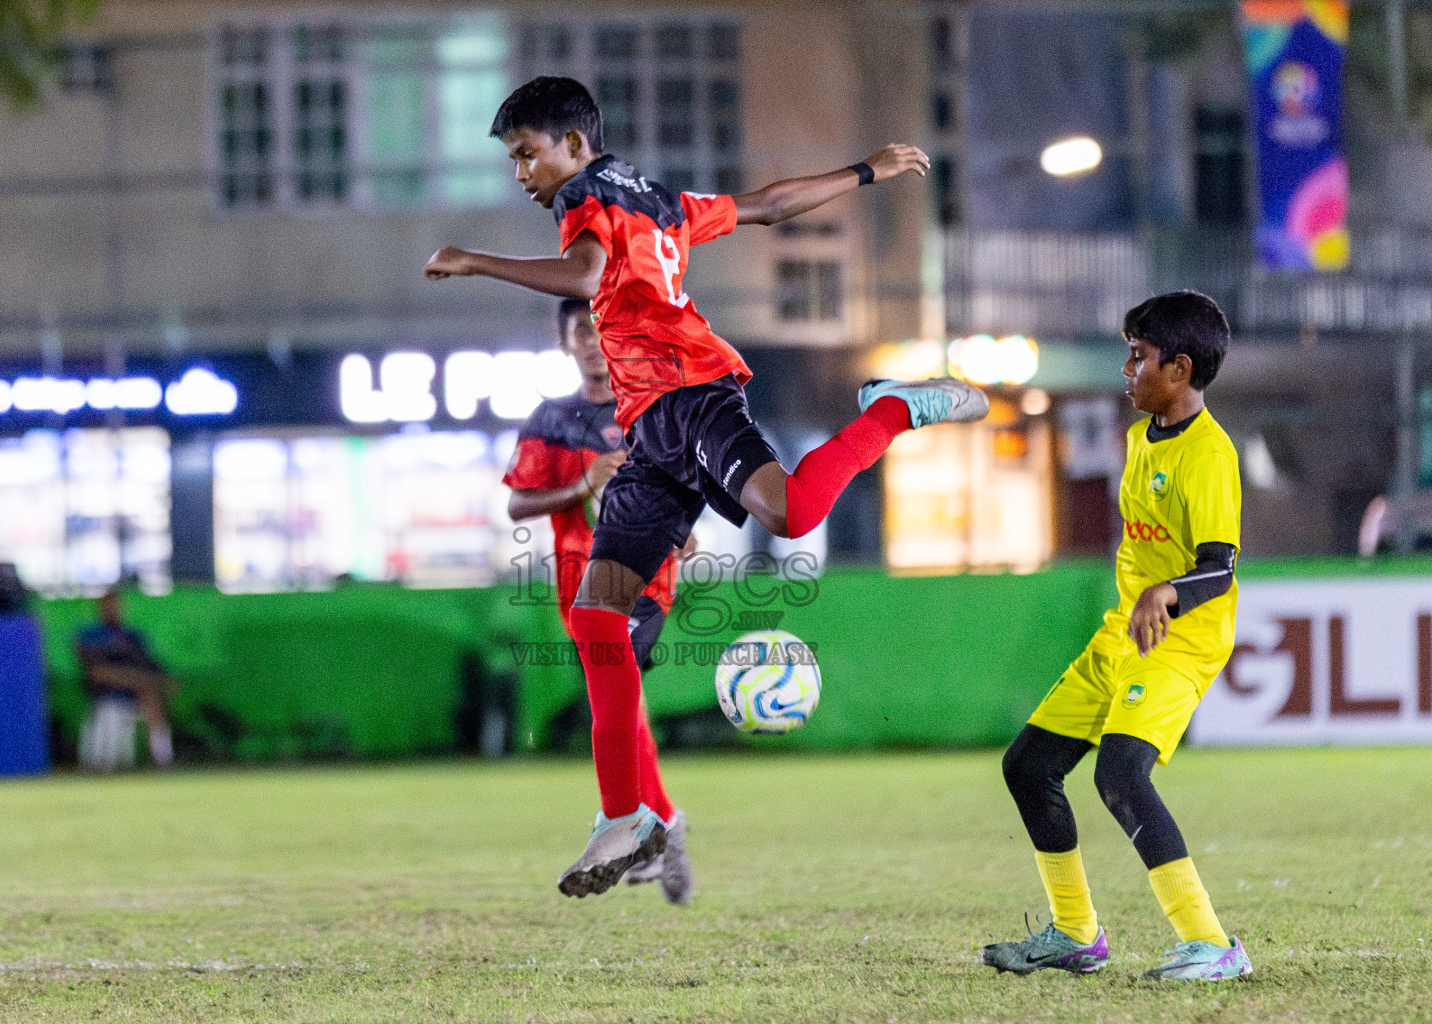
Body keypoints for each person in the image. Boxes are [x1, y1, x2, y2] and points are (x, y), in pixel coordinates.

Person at [425, 76, 986, 898]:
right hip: (651, 432)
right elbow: (765, 204)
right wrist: (861, 172)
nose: (521, 173)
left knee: (790, 515)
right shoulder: (655, 198)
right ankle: (628, 818)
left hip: (690, 395)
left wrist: (475, 261)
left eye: (525, 154)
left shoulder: (584, 200)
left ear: (574, 146)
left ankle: (892, 411)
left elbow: (584, 277)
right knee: (594, 617)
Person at [980, 291, 1251, 981]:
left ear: (1180, 370)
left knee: (1119, 774)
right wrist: (1143, 596)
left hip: (1180, 640)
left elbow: (1216, 568)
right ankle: (1075, 933)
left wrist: (1168, 592)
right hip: (1124, 633)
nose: (1125, 369)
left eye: (1138, 357)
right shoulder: (1138, 439)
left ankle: (1212, 945)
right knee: (1028, 767)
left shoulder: (1209, 455)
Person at [502, 296, 691, 903]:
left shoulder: (650, 411)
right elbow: (518, 504)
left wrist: (683, 532)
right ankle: (661, 821)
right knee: (621, 704)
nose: (588, 339)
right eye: (578, 331)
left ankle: (634, 825)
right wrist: (583, 484)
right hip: (577, 589)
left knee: (617, 692)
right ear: (564, 344)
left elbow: (684, 487)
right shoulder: (551, 420)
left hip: (641, 580)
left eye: (597, 327)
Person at [76, 588, 175, 770]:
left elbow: (150, 662)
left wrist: (164, 678)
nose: (112, 609)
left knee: (150, 694)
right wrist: (115, 650)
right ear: (99, 608)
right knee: (107, 673)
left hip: (133, 693)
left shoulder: (132, 635)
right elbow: (89, 664)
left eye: (116, 605)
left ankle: (162, 757)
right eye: (108, 606)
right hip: (106, 689)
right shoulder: (90, 633)